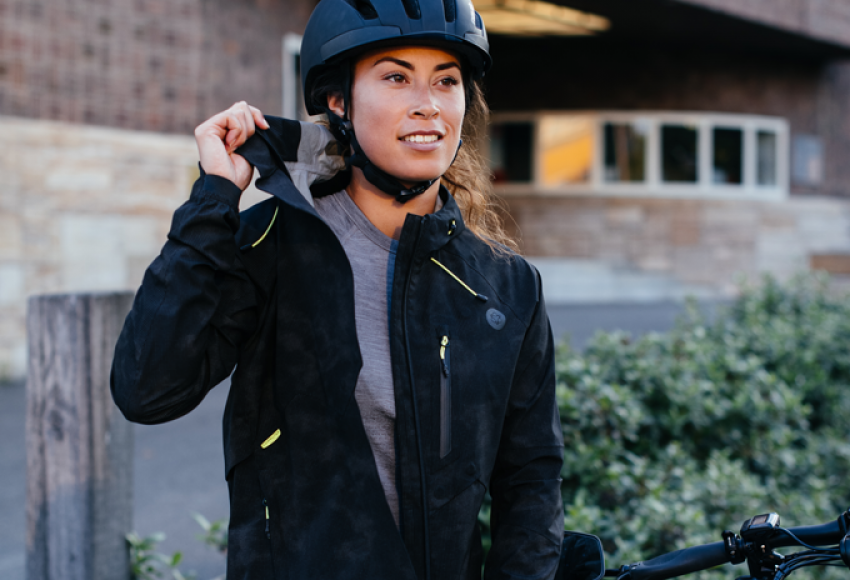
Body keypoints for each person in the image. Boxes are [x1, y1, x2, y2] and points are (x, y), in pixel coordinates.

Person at [110, 0, 564, 579]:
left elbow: (530, 479)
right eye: (397, 77)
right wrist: (213, 202)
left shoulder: (506, 287)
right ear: (338, 100)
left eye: (446, 81)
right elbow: (147, 390)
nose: (428, 104)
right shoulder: (271, 244)